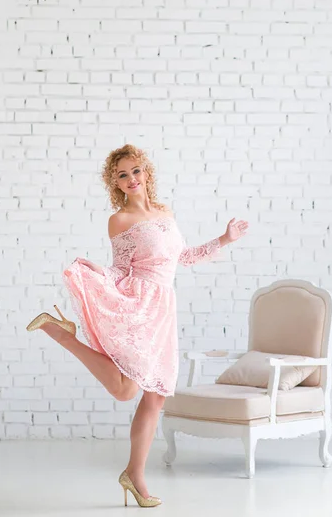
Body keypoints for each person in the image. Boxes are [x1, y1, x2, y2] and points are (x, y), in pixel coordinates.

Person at [26, 143, 249, 508]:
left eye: (135, 171)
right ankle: (62, 334)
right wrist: (97, 275)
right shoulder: (120, 220)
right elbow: (121, 268)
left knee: (155, 395)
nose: (131, 179)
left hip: (164, 307)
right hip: (140, 303)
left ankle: (135, 475)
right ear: (114, 182)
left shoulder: (165, 212)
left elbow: (184, 258)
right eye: (122, 175)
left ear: (147, 173)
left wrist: (225, 239)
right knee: (126, 391)